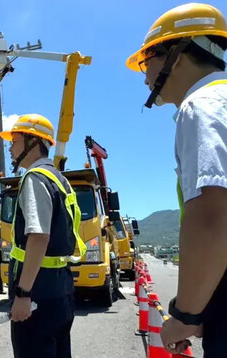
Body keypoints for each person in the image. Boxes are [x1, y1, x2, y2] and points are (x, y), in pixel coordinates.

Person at [126, 3, 227, 356]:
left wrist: (186, 314)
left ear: (178, 54)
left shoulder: (201, 105)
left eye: (147, 60)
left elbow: (213, 215)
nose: (145, 75)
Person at [0, 114, 85, 358]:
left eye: (14, 141)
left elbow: (38, 237)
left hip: (38, 293)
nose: (10, 147)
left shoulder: (35, 178)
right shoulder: (60, 180)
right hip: (60, 289)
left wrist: (24, 294)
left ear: (32, 141)